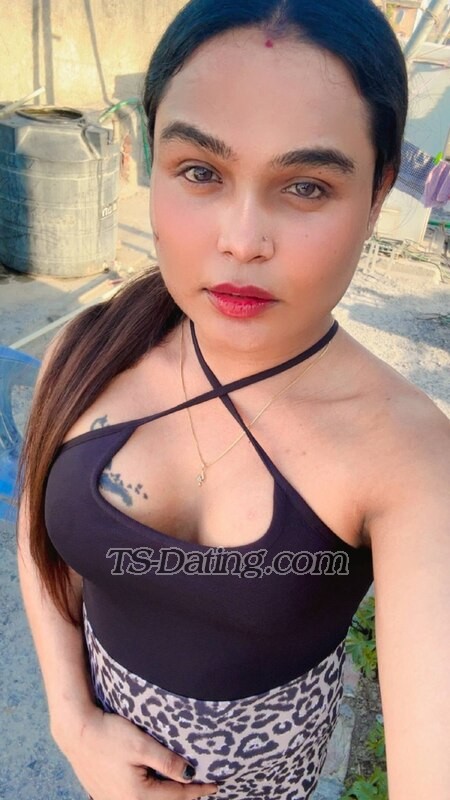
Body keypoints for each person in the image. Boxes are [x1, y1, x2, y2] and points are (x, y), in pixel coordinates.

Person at [16, 1, 450, 799]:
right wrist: (71, 722)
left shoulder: (410, 456)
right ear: (148, 159)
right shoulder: (86, 353)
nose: (242, 240)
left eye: (307, 186)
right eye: (201, 172)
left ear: (378, 193)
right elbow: (38, 544)